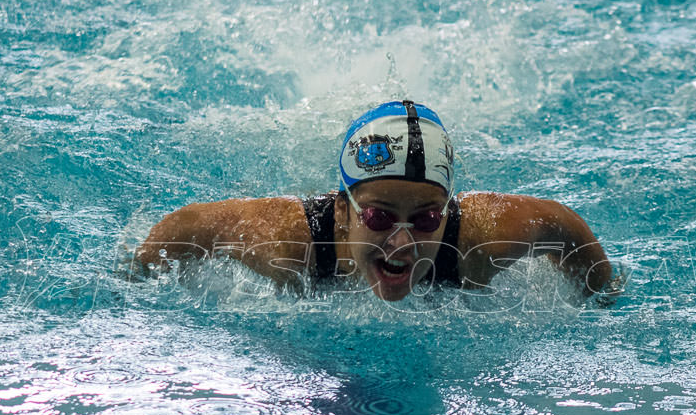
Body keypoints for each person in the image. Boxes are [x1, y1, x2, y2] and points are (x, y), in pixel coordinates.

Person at [131, 100, 615, 303]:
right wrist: (128, 288)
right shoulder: (289, 245)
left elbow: (561, 223)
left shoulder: (480, 243)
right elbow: (185, 226)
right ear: (342, 210)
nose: (402, 242)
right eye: (380, 216)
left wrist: (603, 301)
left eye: (426, 218)